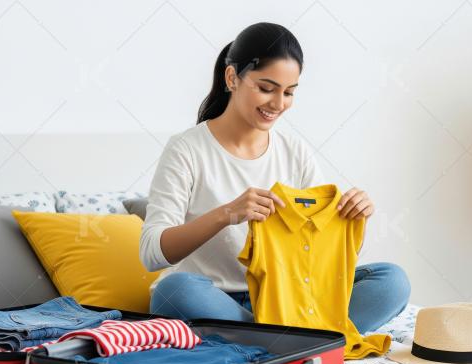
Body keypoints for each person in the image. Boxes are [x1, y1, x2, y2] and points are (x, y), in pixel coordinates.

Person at [139, 22, 410, 334]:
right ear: (232, 78)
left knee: (392, 280)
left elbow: (317, 257)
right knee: (173, 291)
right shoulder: (186, 149)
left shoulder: (295, 151)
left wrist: (350, 220)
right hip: (216, 300)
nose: (279, 104)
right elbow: (152, 253)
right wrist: (227, 214)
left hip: (287, 299)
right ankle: (301, 337)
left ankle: (270, 338)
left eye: (289, 92)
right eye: (266, 88)